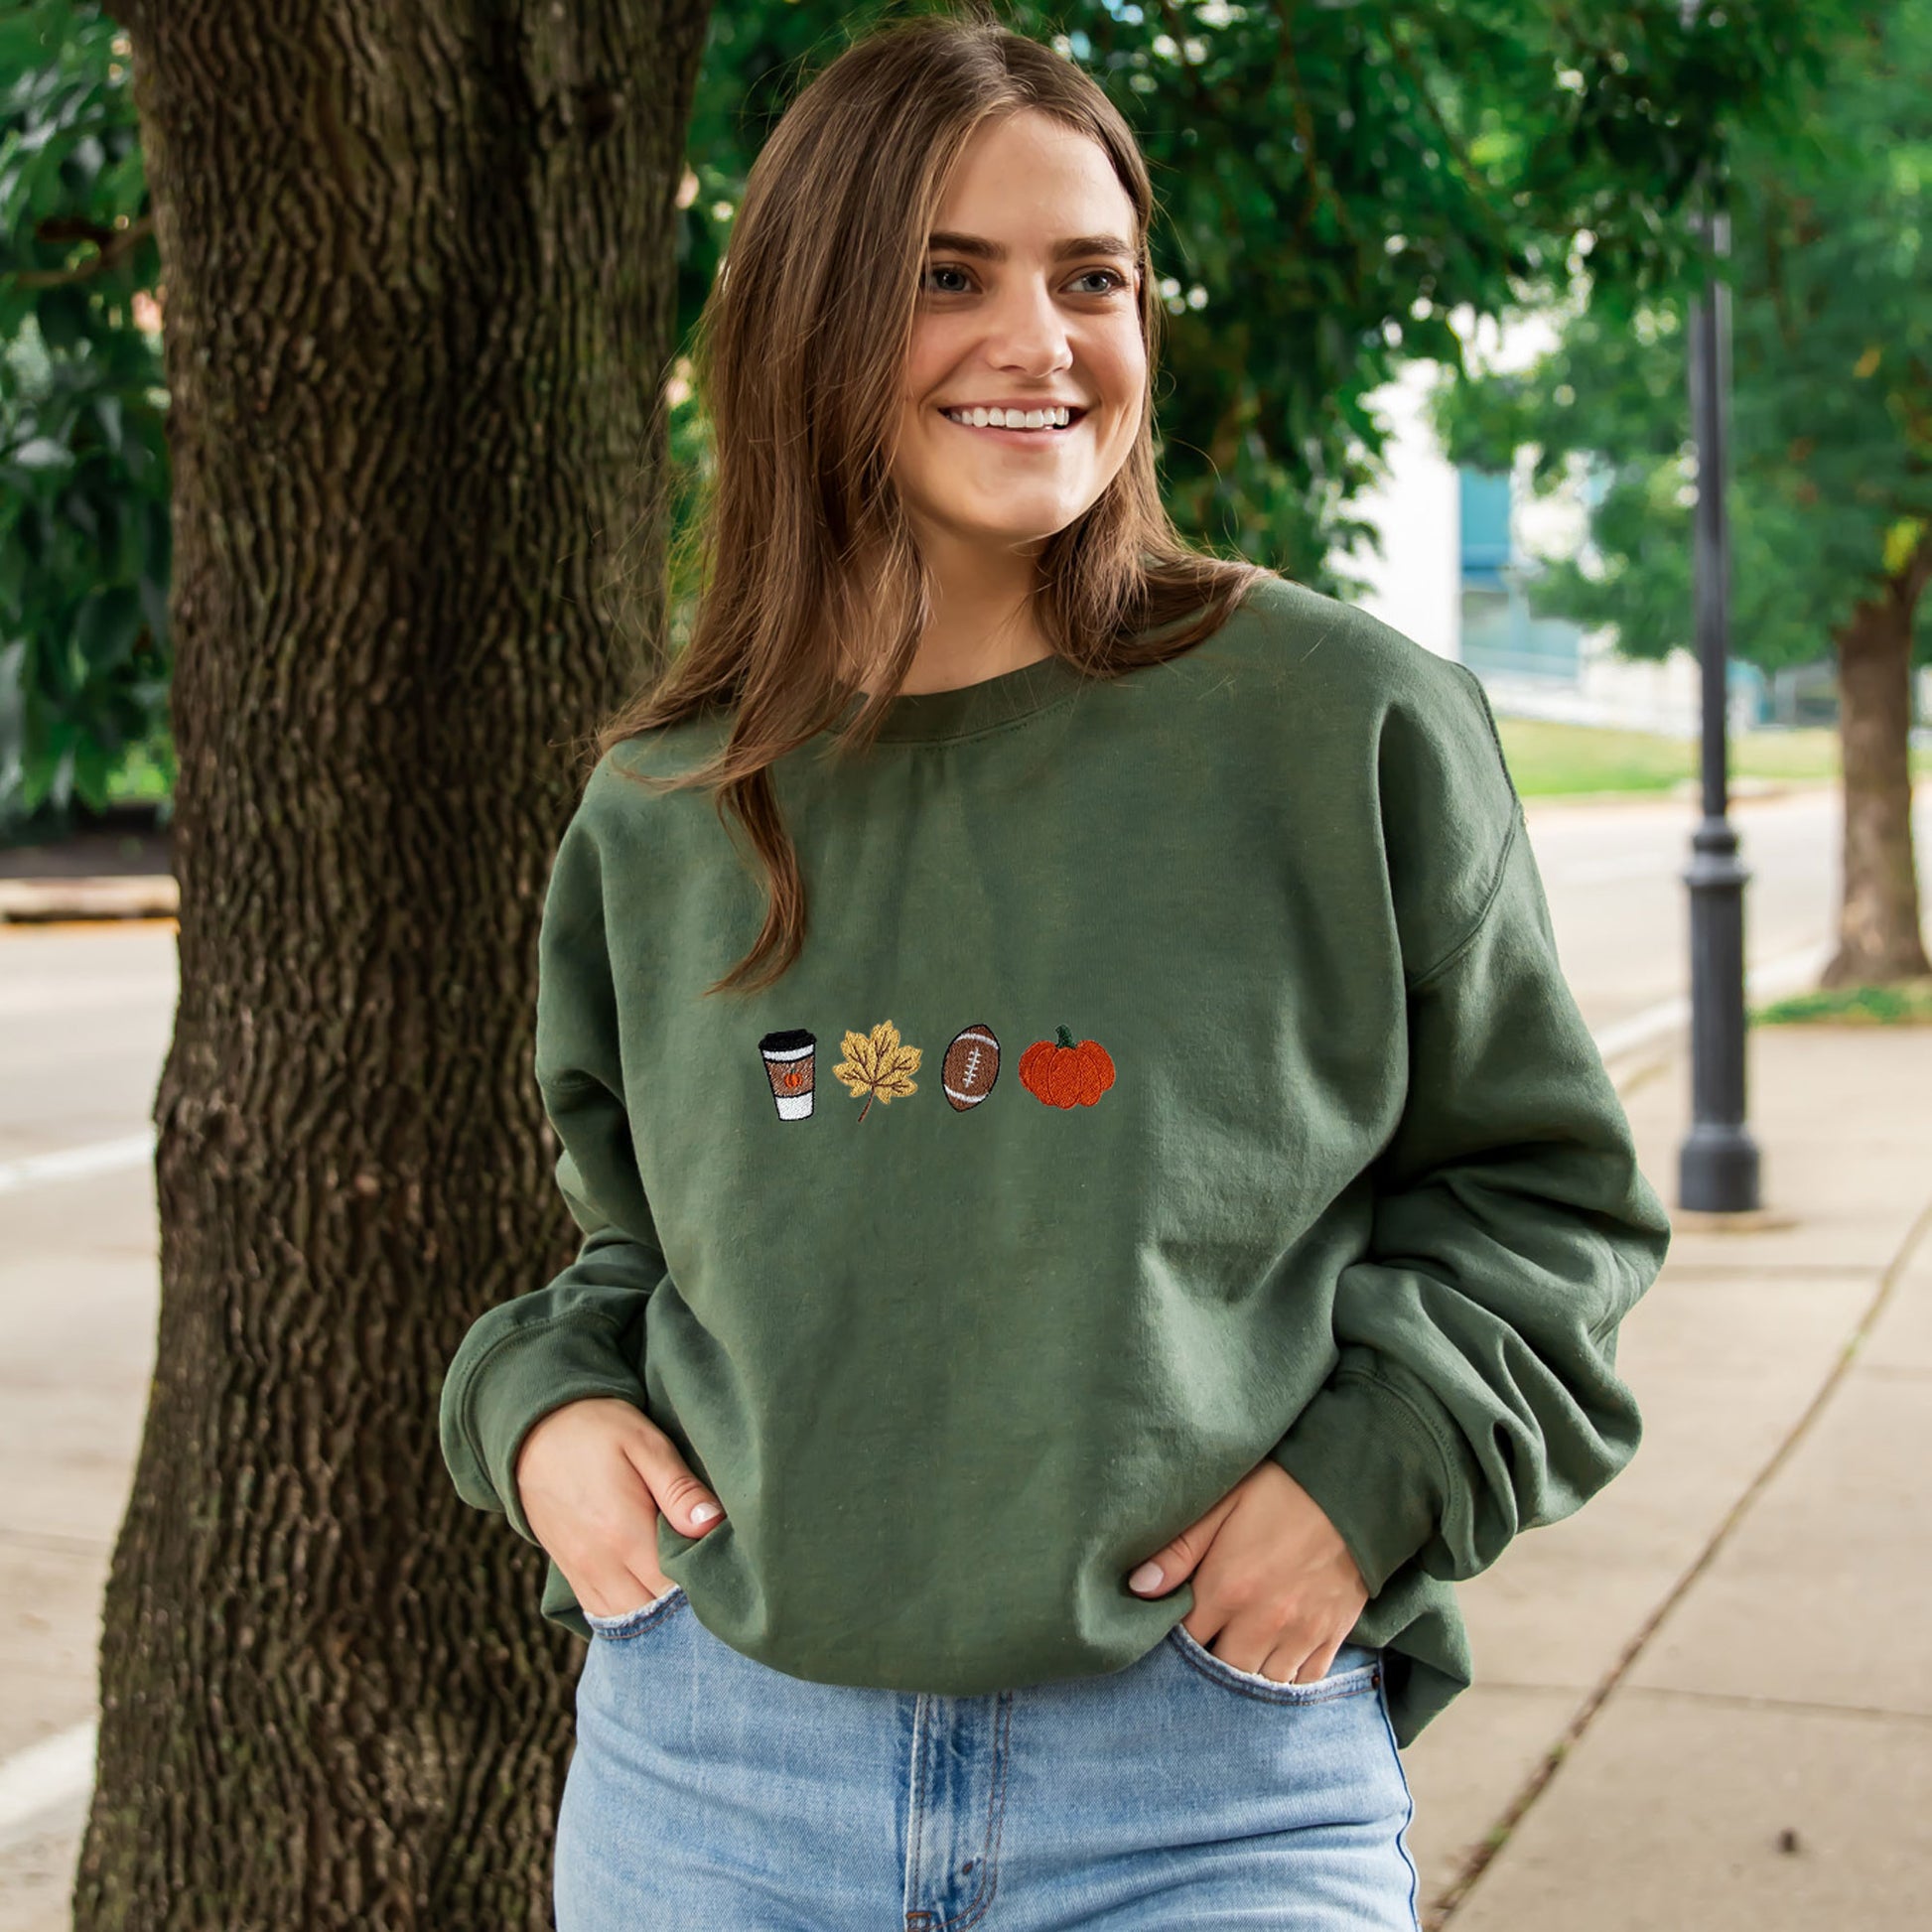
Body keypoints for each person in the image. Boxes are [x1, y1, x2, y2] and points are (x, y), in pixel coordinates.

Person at [438, 10, 1673, 1928]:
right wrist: (533, 1414)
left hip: (1204, 1775)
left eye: (1089, 277)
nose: (1042, 343)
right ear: (806, 321)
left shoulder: (1338, 723)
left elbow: (1548, 1202)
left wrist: (1369, 1482)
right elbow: (645, 1256)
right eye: (949, 279)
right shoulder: (665, 800)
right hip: (715, 1781)